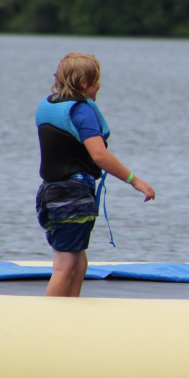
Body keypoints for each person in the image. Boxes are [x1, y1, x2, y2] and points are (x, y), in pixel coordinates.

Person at [35, 52, 155, 297]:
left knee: (79, 264)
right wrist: (135, 181)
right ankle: (43, 322)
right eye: (97, 80)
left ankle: (68, 316)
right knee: (65, 267)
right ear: (84, 84)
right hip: (72, 196)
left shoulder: (49, 105)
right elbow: (99, 155)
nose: (100, 84)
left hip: (52, 193)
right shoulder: (81, 112)